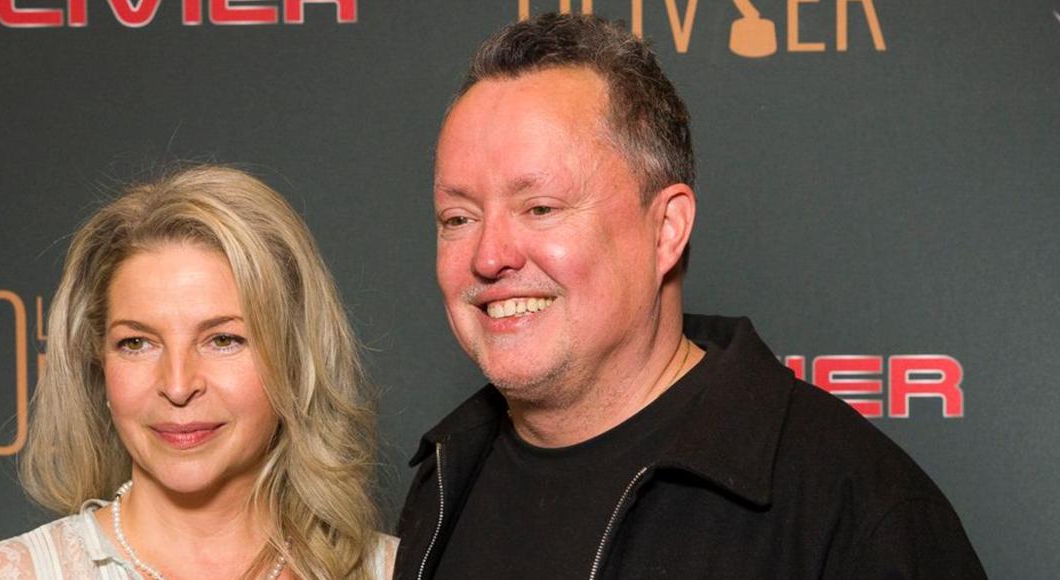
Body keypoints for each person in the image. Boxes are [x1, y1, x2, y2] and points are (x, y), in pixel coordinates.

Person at [395, 13, 985, 579]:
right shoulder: (445, 479)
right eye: (457, 218)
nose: (489, 256)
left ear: (667, 229)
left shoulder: (854, 513)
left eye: (541, 209)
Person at [0, 165, 397, 579]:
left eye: (223, 340)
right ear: (98, 363)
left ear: (295, 357)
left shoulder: (403, 571)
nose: (177, 386)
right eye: (136, 343)